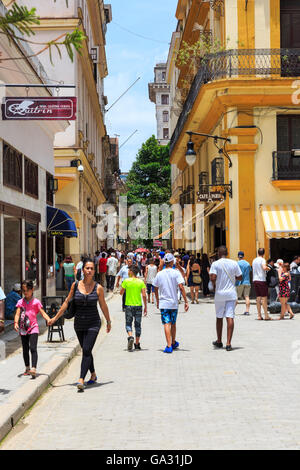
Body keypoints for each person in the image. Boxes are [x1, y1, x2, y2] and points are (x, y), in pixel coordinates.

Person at [48, 258, 112, 391]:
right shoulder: (75, 285)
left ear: (94, 271)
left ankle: (81, 379)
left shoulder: (98, 288)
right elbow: (66, 302)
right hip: (79, 324)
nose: (89, 271)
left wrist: (109, 321)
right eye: (87, 268)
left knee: (87, 350)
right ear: (83, 270)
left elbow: (103, 306)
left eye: (92, 268)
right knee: (86, 350)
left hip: (94, 323)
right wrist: (55, 318)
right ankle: (93, 374)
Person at [152, 253, 189, 353]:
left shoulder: (160, 274)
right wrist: (186, 301)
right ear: (172, 262)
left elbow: (155, 287)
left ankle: (169, 345)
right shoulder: (176, 273)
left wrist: (157, 300)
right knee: (173, 323)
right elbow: (181, 287)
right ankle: (172, 342)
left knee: (166, 323)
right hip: (173, 303)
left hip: (164, 303)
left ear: (164, 262)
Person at [14, 281, 51, 378]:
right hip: (23, 329)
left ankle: (33, 368)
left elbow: (42, 312)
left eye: (27, 290)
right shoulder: (20, 302)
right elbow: (17, 314)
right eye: (23, 290)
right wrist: (15, 323)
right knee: (25, 349)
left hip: (33, 328)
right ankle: (27, 367)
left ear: (32, 290)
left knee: (33, 348)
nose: (25, 292)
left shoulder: (36, 302)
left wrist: (48, 319)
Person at [209, 246, 242, 351]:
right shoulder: (234, 263)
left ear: (218, 253)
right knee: (230, 316)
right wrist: (233, 277)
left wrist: (215, 283)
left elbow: (213, 277)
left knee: (219, 317)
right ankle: (228, 343)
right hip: (231, 293)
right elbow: (240, 277)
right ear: (227, 253)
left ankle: (219, 341)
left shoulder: (215, 264)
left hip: (219, 294)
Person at [120, 265, 147, 351]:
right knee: (138, 325)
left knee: (128, 324)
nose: (128, 272)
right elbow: (143, 295)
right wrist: (146, 307)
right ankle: (137, 344)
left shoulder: (126, 281)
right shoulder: (141, 282)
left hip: (128, 305)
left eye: (129, 271)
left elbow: (121, 293)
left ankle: (130, 336)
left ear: (131, 272)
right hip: (138, 306)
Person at [252, 248, 272, 321]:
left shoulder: (254, 260)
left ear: (258, 253)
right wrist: (269, 268)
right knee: (264, 298)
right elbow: (264, 267)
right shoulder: (262, 260)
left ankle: (259, 315)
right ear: (263, 254)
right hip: (261, 280)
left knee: (258, 297)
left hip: (255, 280)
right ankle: (266, 315)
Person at [236, 251, 251, 315]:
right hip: (247, 281)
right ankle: (247, 311)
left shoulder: (237, 263)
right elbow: (250, 271)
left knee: (236, 297)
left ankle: (231, 310)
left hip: (239, 282)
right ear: (243, 256)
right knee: (247, 296)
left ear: (238, 256)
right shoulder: (247, 263)